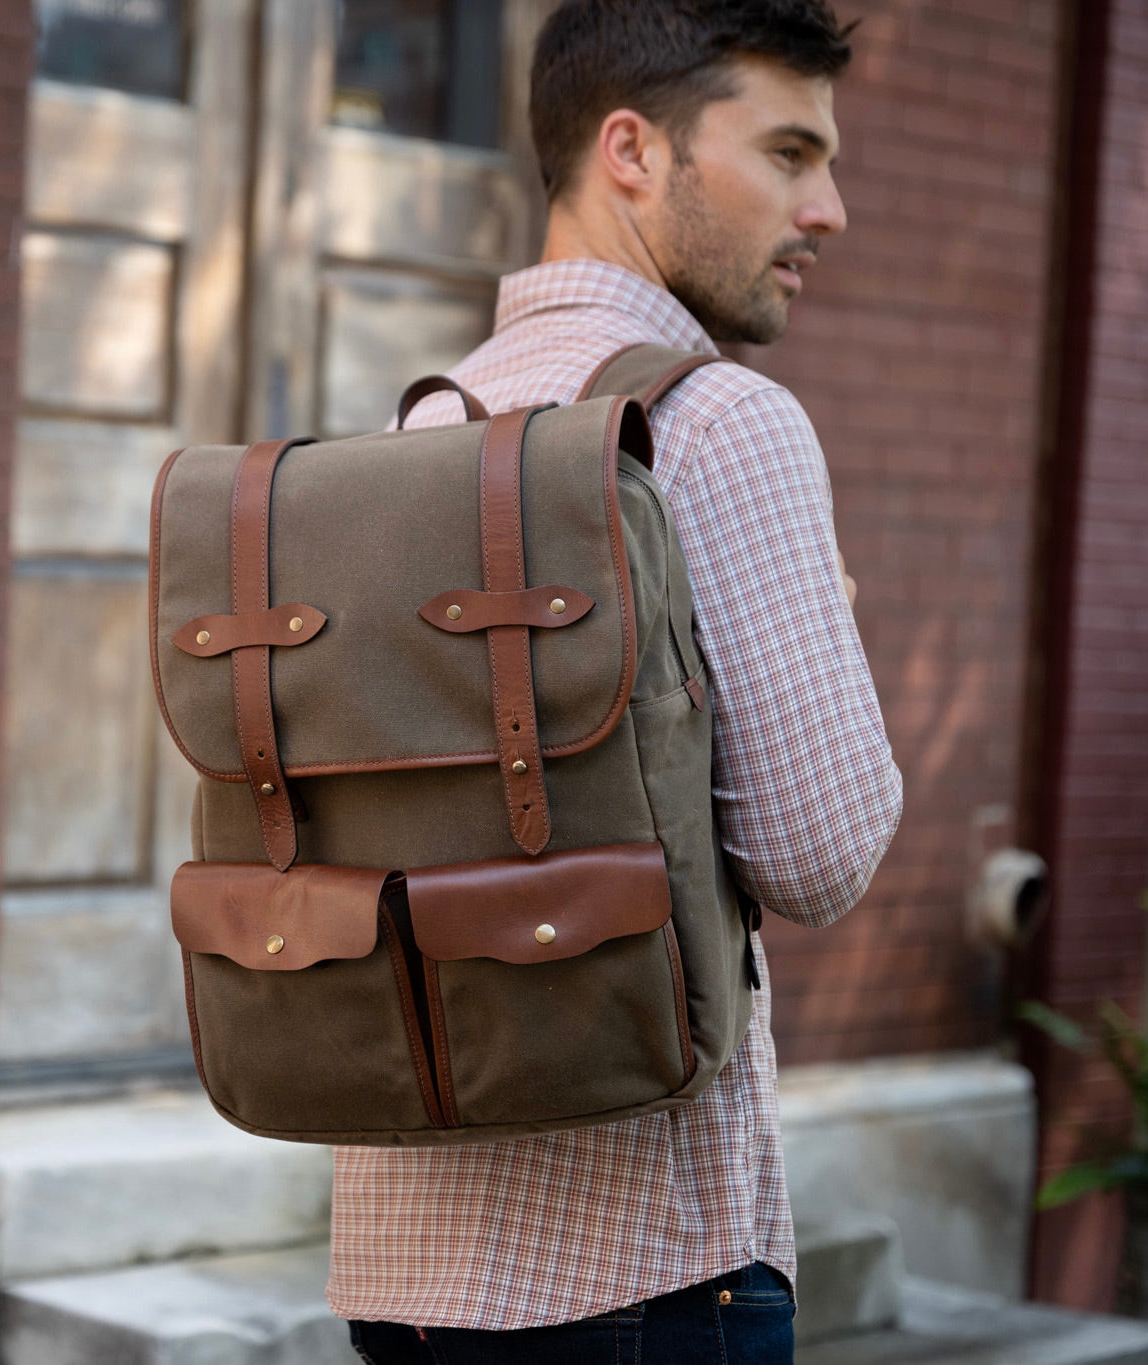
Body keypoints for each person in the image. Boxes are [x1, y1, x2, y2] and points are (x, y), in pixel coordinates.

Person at [335, 3, 902, 1362]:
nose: (825, 208)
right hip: (642, 1272)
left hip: (403, 1270)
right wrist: (820, 623)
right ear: (633, 151)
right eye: (785, 151)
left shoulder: (416, 428)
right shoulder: (719, 427)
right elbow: (822, 856)